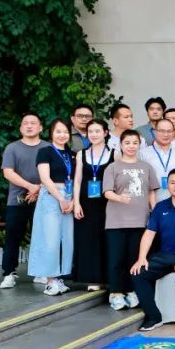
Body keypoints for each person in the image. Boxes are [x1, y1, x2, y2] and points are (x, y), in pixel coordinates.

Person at [130, 169, 175, 331]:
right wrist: (141, 258)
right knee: (138, 273)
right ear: (168, 185)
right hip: (164, 255)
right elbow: (149, 233)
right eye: (172, 183)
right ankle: (153, 317)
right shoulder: (160, 206)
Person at [102, 130, 158, 310]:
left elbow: (151, 191)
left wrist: (155, 211)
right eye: (127, 143)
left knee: (134, 258)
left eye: (135, 143)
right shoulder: (112, 167)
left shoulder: (146, 167)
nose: (131, 146)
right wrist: (120, 198)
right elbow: (107, 192)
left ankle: (131, 290)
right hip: (117, 221)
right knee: (116, 259)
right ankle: (116, 293)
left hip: (140, 220)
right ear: (121, 145)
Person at [0, 112, 48, 289]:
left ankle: (41, 272)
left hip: (44, 199)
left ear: (40, 127)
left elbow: (55, 173)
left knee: (43, 237)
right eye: (25, 123)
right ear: (20, 128)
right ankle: (8, 273)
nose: (29, 126)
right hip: (17, 200)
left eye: (33, 123)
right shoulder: (12, 148)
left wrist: (38, 188)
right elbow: (8, 172)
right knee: (12, 237)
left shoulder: (48, 148)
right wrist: (30, 186)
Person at [30, 119, 76, 296]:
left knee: (67, 240)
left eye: (65, 132)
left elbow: (76, 179)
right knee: (50, 240)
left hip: (69, 196)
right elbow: (45, 178)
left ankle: (60, 277)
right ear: (51, 133)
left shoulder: (72, 154)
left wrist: (72, 200)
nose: (62, 135)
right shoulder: (45, 151)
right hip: (51, 196)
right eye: (58, 131)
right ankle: (50, 280)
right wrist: (61, 199)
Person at [72, 119, 114, 291]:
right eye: (91, 131)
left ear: (105, 133)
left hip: (108, 203)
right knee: (88, 240)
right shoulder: (81, 154)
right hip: (86, 204)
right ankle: (92, 278)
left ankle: (107, 277)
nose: (94, 135)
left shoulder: (115, 154)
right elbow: (77, 180)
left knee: (106, 239)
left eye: (97, 131)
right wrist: (76, 203)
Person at [139, 118, 175, 202]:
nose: (166, 134)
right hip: (150, 203)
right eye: (162, 131)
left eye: (169, 131)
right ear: (155, 132)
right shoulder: (143, 154)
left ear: (174, 132)